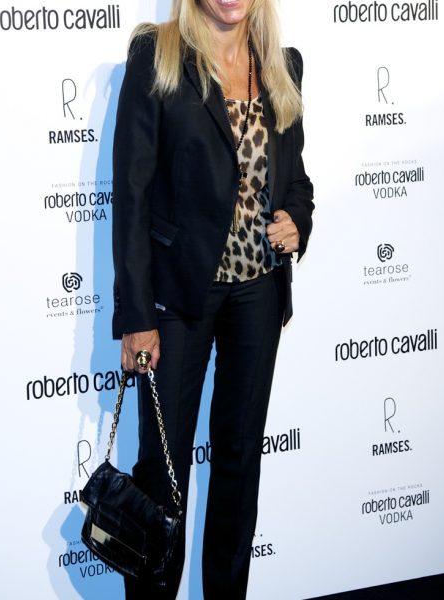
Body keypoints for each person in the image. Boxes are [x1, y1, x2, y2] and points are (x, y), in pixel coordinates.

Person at [111, 0, 314, 598]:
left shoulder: (282, 66)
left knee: (239, 462)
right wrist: (137, 316)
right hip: (177, 301)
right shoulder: (158, 55)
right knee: (162, 475)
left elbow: (296, 179)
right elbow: (131, 195)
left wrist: (297, 220)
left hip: (258, 293)